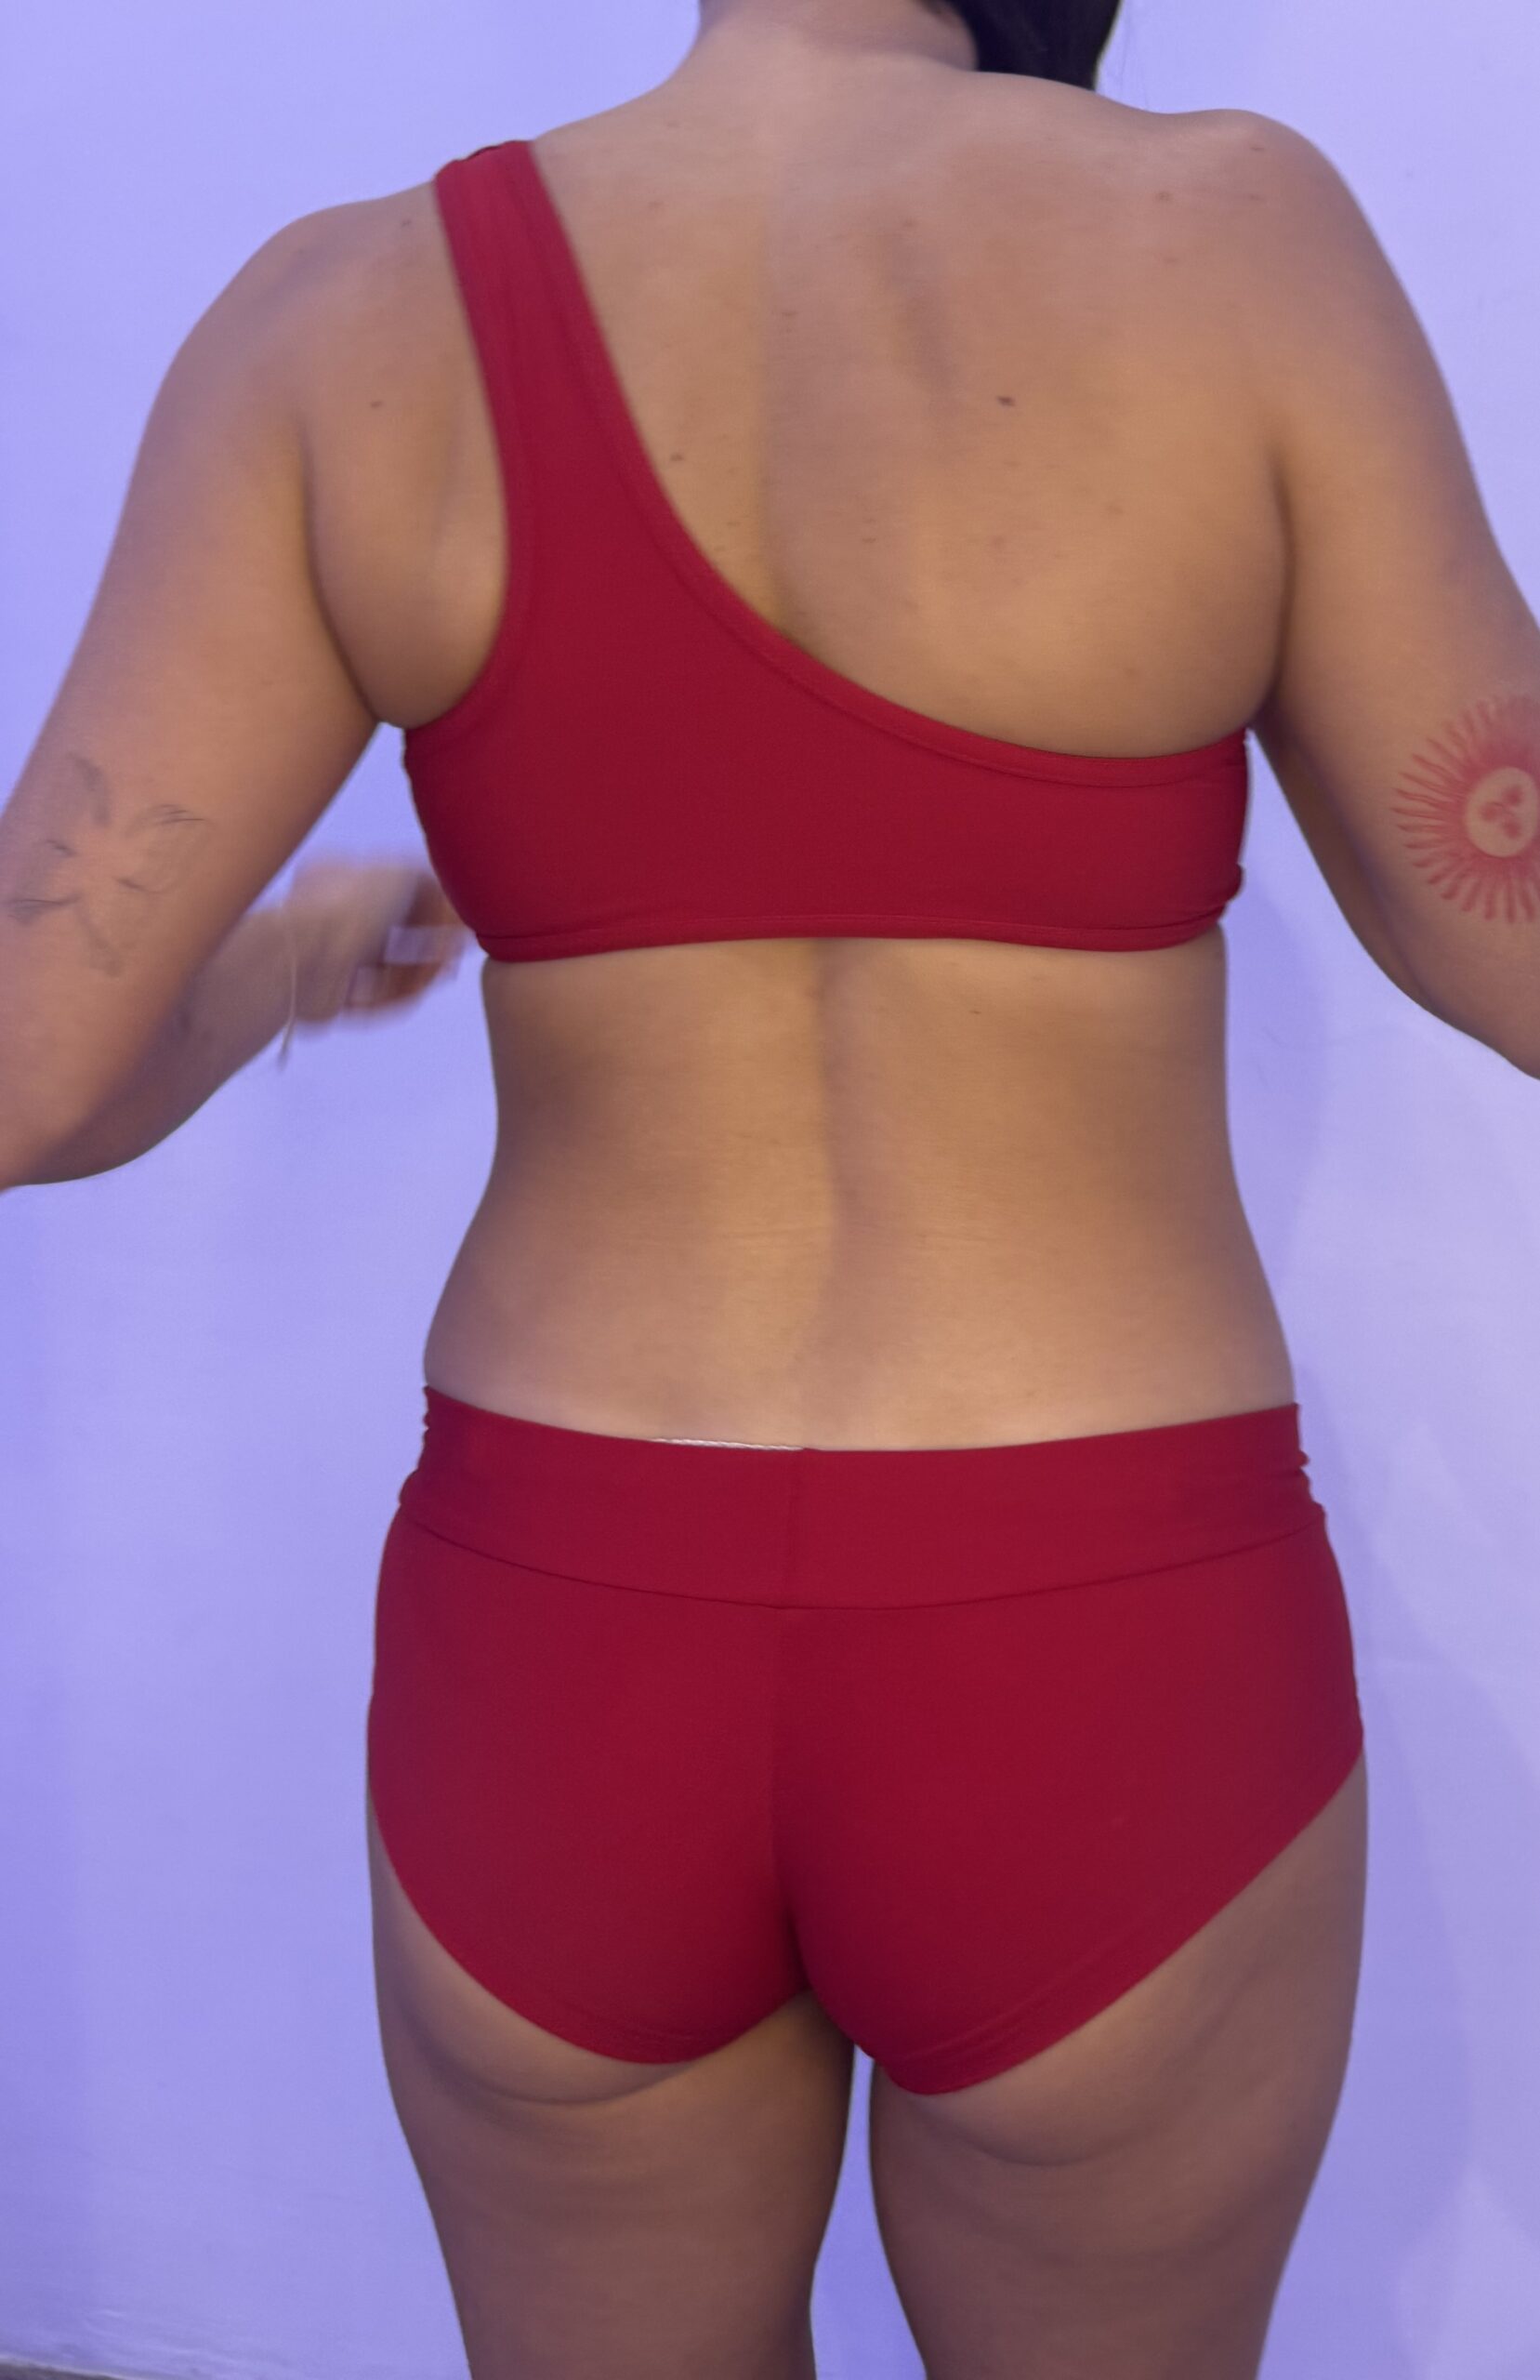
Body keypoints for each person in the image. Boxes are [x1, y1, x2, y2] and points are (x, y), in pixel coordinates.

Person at [3, 0, 1537, 2371]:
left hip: (563, 1654)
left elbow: (27, 1075)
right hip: (1091, 1635)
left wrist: (288, 959)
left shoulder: (339, 319)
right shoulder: (1224, 234)